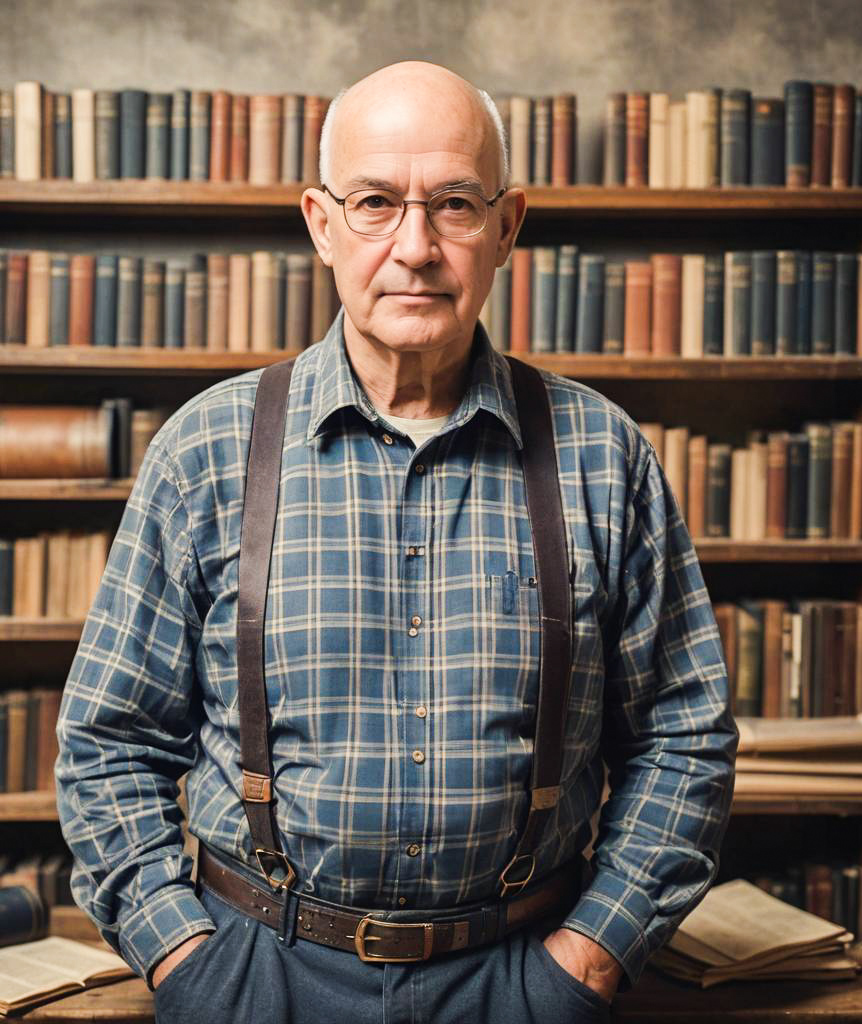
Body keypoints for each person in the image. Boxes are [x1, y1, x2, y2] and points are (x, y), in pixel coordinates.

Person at [55, 60, 737, 1023]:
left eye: (455, 204)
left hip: (524, 976)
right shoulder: (207, 450)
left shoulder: (602, 455)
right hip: (258, 976)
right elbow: (106, 741)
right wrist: (188, 962)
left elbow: (683, 735)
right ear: (319, 222)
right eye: (375, 202)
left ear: (508, 226)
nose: (414, 247)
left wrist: (591, 956)